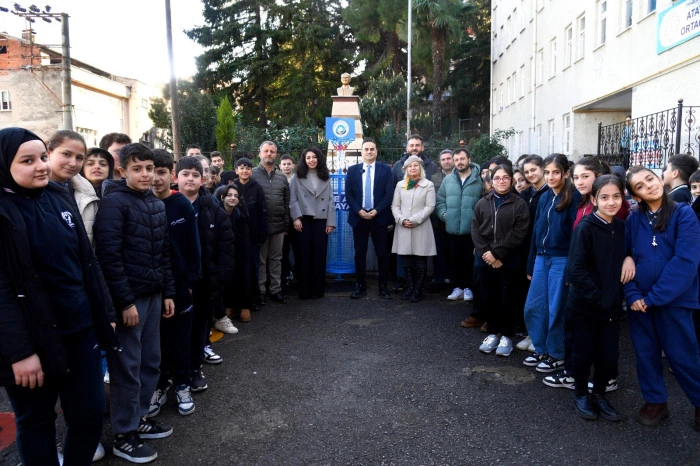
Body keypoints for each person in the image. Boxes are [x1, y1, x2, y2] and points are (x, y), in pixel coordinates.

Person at [0, 127, 118, 466]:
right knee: (36, 423)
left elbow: (86, 262)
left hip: (80, 330)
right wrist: (20, 353)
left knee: (89, 414)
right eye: (27, 161)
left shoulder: (58, 195)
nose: (41, 166)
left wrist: (105, 312)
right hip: (32, 343)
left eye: (41, 157)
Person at [93, 143, 176, 463]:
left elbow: (164, 254)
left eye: (150, 169)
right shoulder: (114, 204)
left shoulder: (155, 204)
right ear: (122, 171)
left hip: (154, 295)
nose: (145, 175)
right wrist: (125, 303)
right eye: (137, 169)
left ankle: (139, 417)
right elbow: (109, 259)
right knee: (127, 367)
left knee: (150, 361)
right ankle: (124, 433)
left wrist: (168, 292)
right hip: (130, 301)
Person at [624, 166, 700, 431]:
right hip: (639, 303)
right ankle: (655, 401)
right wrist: (633, 294)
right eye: (640, 186)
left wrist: (654, 297)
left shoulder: (683, 214)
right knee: (646, 354)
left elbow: (685, 261)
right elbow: (625, 258)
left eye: (650, 179)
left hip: (674, 300)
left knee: (683, 356)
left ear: (659, 179)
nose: (649, 185)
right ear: (637, 196)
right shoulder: (633, 220)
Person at [568, 175, 629, 421]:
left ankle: (600, 393)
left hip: (612, 306)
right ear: (593, 200)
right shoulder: (586, 227)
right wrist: (598, 297)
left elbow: (627, 253)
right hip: (586, 305)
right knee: (582, 352)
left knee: (608, 356)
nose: (611, 202)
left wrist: (629, 257)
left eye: (616, 196)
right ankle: (581, 393)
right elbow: (576, 270)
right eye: (604, 197)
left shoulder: (621, 227)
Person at [174, 156, 235, 391]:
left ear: (203, 179)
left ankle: (195, 367)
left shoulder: (213, 209)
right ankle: (171, 374)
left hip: (204, 281)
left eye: (195, 175)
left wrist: (220, 277)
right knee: (175, 331)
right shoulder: (166, 204)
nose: (190, 179)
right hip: (175, 282)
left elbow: (226, 244)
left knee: (199, 326)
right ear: (175, 177)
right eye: (185, 174)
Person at [148, 149, 201, 418]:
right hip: (151, 286)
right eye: (150, 171)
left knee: (180, 338)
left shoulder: (181, 205)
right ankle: (160, 385)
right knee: (155, 341)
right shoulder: (141, 203)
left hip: (180, 284)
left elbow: (193, 247)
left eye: (161, 172)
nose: (155, 178)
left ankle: (182, 384)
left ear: (171, 175)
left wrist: (190, 281)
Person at [523, 154, 580, 374]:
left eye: (556, 172)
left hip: (561, 259)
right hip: (541, 258)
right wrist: (531, 263)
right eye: (547, 172)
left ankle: (557, 354)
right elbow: (536, 232)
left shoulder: (574, 198)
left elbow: (575, 237)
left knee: (557, 309)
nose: (550, 177)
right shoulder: (545, 197)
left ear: (566, 173)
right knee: (534, 306)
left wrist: (571, 269)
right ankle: (541, 348)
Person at [472, 165, 530, 357]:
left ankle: (506, 335)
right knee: (489, 297)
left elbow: (519, 233)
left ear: (512, 181)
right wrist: (487, 253)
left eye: (506, 177)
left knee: (509, 298)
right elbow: (476, 230)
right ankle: (493, 333)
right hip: (485, 259)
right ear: (491, 182)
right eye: (497, 178)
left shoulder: (520, 204)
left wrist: (497, 254)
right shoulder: (482, 203)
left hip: (509, 259)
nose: (501, 181)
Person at [345, 138, 394, 299]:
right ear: (361, 152)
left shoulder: (385, 170)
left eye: (372, 149)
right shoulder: (352, 170)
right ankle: (360, 285)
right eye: (366, 149)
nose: (369, 152)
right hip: (359, 218)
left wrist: (377, 211)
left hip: (379, 218)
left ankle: (383, 286)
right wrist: (359, 210)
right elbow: (349, 194)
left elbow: (389, 194)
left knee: (382, 253)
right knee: (360, 253)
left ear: (376, 151)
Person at [391, 135, 438, 292]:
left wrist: (414, 220)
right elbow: (395, 205)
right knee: (406, 260)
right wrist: (401, 220)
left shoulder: (428, 184)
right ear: (405, 169)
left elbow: (430, 206)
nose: (413, 168)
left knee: (420, 260)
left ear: (420, 168)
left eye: (416, 166)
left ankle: (417, 290)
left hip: (421, 226)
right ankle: (409, 288)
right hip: (403, 226)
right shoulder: (400, 185)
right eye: (410, 166)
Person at [435, 148, 482, 304]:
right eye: (456, 160)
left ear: (469, 159)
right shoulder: (448, 180)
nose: (459, 162)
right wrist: (444, 215)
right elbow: (440, 201)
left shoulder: (479, 179)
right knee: (455, 259)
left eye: (462, 159)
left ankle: (469, 288)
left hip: (472, 229)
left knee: (470, 259)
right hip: (452, 228)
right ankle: (457, 287)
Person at [289, 147, 336, 299]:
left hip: (321, 220)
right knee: (303, 255)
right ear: (304, 160)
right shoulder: (296, 177)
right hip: (303, 220)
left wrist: (331, 222)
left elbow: (331, 201)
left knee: (319, 255)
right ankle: (304, 290)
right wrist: (296, 218)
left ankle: (317, 290)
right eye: (308, 157)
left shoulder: (326, 177)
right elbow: (292, 199)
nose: (311, 160)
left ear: (319, 158)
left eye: (314, 157)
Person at [515, 154, 548, 351]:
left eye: (533, 170)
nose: (530, 174)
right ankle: (531, 333)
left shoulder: (548, 193)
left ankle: (538, 337)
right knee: (528, 295)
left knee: (540, 297)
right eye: (527, 172)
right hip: (525, 249)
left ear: (542, 169)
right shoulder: (527, 193)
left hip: (541, 251)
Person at [252, 141, 290, 304]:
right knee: (260, 260)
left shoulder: (282, 177)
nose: (269, 154)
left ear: (276, 154)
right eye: (266, 151)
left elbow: (286, 202)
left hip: (278, 226)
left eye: (272, 151)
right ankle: (260, 291)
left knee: (276, 259)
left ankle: (275, 289)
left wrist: (286, 225)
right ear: (259, 153)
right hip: (260, 227)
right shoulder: (252, 174)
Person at [233, 158, 268, 310]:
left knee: (253, 267)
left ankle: (254, 299)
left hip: (253, 236)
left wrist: (262, 233)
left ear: (251, 171)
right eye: (241, 168)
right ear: (236, 171)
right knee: (236, 268)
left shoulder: (257, 188)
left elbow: (263, 211)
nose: (245, 171)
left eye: (247, 168)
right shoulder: (231, 187)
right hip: (235, 235)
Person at [216, 184, 254, 322]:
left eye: (236, 196)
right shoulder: (216, 213)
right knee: (226, 277)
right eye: (229, 195)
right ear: (222, 197)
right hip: (223, 251)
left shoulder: (241, 215)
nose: (233, 198)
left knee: (243, 275)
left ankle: (244, 306)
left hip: (240, 250)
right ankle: (229, 305)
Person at [429, 149, 454, 292]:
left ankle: (453, 278)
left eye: (448, 158)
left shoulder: (460, 176)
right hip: (438, 220)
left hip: (455, 220)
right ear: (440, 162)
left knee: (454, 250)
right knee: (439, 250)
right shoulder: (434, 178)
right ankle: (439, 278)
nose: (446, 161)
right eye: (443, 159)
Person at [279, 154, 296, 290]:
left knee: (298, 250)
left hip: (297, 220)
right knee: (283, 251)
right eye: (284, 164)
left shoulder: (298, 180)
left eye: (289, 164)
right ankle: (285, 275)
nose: (286, 166)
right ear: (280, 166)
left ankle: (298, 274)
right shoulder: (277, 180)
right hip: (282, 222)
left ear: (293, 165)